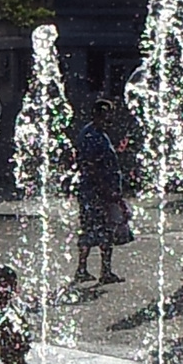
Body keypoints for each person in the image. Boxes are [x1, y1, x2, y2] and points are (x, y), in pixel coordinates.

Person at [73, 99, 126, 285]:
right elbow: (92, 166)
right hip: (96, 191)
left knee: (93, 229)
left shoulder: (96, 134)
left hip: (94, 189)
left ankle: (87, 269)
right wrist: (107, 191)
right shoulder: (92, 135)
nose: (110, 118)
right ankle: (100, 270)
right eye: (107, 114)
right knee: (100, 230)